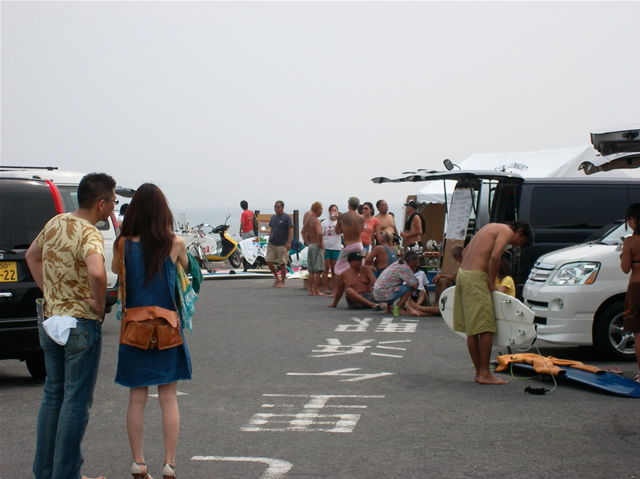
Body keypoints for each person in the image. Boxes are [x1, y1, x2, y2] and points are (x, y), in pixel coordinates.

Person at [25, 172, 117, 479]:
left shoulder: (55, 223)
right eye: (112, 202)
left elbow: (32, 256)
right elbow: (98, 273)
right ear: (101, 203)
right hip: (80, 322)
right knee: (76, 401)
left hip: (51, 319)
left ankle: (45, 472)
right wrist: (99, 305)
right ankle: (66, 474)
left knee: (53, 396)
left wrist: (51, 292)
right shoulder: (90, 233)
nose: (113, 208)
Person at [111, 184, 191, 479]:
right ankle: (169, 464)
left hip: (134, 330)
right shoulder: (175, 243)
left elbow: (116, 270)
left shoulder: (122, 244)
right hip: (167, 329)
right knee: (169, 398)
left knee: (137, 398)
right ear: (162, 212)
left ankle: (138, 462)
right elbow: (188, 270)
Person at [453, 221, 533, 385]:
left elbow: (465, 251)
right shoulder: (506, 231)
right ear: (520, 231)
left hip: (464, 274)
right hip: (476, 278)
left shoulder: (489, 227)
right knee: (486, 328)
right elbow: (496, 256)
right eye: (520, 241)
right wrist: (491, 283)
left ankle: (479, 373)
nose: (515, 245)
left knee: (472, 330)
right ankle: (484, 373)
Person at [620, 203, 640, 383]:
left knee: (638, 334)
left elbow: (625, 268)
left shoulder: (630, 242)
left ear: (633, 219)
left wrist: (623, 255)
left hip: (636, 289)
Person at [334, 197, 364, 276]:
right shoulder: (362, 218)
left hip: (349, 244)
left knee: (338, 268)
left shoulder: (342, 216)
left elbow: (336, 231)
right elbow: (360, 231)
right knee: (360, 266)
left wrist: (343, 230)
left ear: (349, 204)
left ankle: (342, 283)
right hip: (359, 244)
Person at [266, 200, 293, 288]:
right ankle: (277, 277)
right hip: (272, 243)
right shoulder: (273, 217)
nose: (276, 209)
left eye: (278, 207)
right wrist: (269, 238)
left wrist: (289, 242)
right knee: (268, 261)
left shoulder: (287, 218)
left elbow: (290, 230)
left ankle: (283, 282)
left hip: (282, 244)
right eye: (275, 207)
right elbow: (272, 229)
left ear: (282, 208)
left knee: (282, 264)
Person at [301, 201, 325, 296]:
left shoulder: (308, 220)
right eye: (321, 210)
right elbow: (319, 233)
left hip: (311, 246)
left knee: (311, 270)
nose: (321, 212)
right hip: (316, 245)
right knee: (318, 270)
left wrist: (307, 242)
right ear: (318, 209)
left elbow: (303, 232)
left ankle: (310, 290)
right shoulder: (316, 221)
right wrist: (321, 243)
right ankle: (316, 290)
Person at [321, 204, 341, 294]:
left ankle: (334, 288)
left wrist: (338, 219)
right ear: (329, 212)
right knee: (326, 268)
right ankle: (325, 288)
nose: (333, 212)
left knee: (334, 269)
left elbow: (341, 232)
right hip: (327, 247)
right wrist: (322, 247)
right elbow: (321, 235)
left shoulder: (339, 222)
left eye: (335, 210)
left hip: (336, 248)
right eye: (331, 210)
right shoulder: (324, 223)